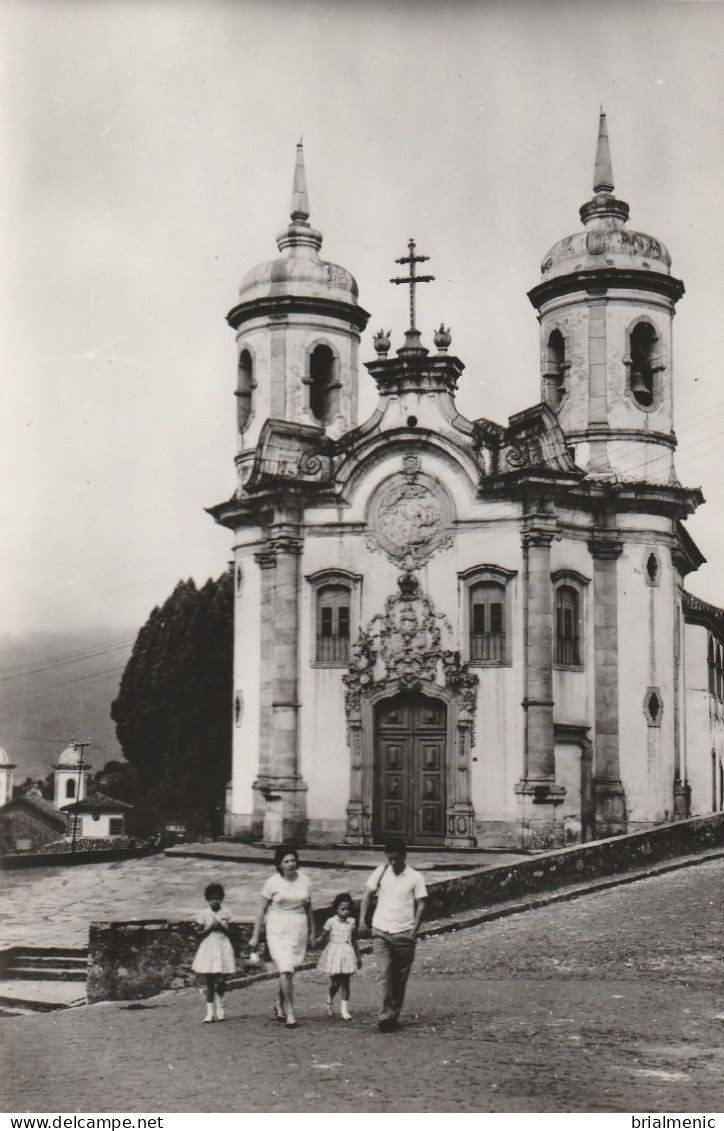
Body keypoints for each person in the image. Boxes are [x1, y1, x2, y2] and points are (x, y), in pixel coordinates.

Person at [358, 838, 427, 1032]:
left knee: (399, 977)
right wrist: (363, 920)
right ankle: (384, 1015)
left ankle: (393, 1014)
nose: (393, 863)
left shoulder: (415, 877)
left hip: (404, 933)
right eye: (390, 859)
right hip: (381, 930)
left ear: (404, 857)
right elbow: (367, 895)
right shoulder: (381, 872)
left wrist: (415, 930)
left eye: (396, 859)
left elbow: (422, 902)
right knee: (384, 973)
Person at [249, 844, 314, 1029]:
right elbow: (261, 910)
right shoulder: (272, 883)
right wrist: (255, 935)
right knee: (285, 968)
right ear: (279, 864)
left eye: (293, 860)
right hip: (277, 927)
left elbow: (309, 909)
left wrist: (312, 932)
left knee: (289, 969)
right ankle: (290, 1010)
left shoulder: (306, 881)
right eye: (286, 861)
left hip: (298, 927)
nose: (291, 864)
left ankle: (278, 1002)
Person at [191, 882, 236, 1023]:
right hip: (209, 948)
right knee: (210, 981)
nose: (215, 901)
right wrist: (210, 928)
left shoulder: (227, 912)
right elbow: (198, 934)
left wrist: (222, 928)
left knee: (221, 979)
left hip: (222, 946)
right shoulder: (204, 913)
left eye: (217, 898)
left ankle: (220, 1007)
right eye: (212, 899)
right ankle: (209, 1013)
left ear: (221, 899)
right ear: (207, 900)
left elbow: (234, 933)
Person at [316, 891, 362, 1020]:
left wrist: (358, 957)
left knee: (346, 982)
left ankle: (344, 1010)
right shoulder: (331, 921)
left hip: (347, 952)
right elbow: (322, 937)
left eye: (348, 909)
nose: (345, 912)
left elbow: (354, 941)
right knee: (335, 982)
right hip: (335, 953)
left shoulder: (352, 922)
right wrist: (313, 943)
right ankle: (330, 1000)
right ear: (336, 909)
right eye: (342, 909)